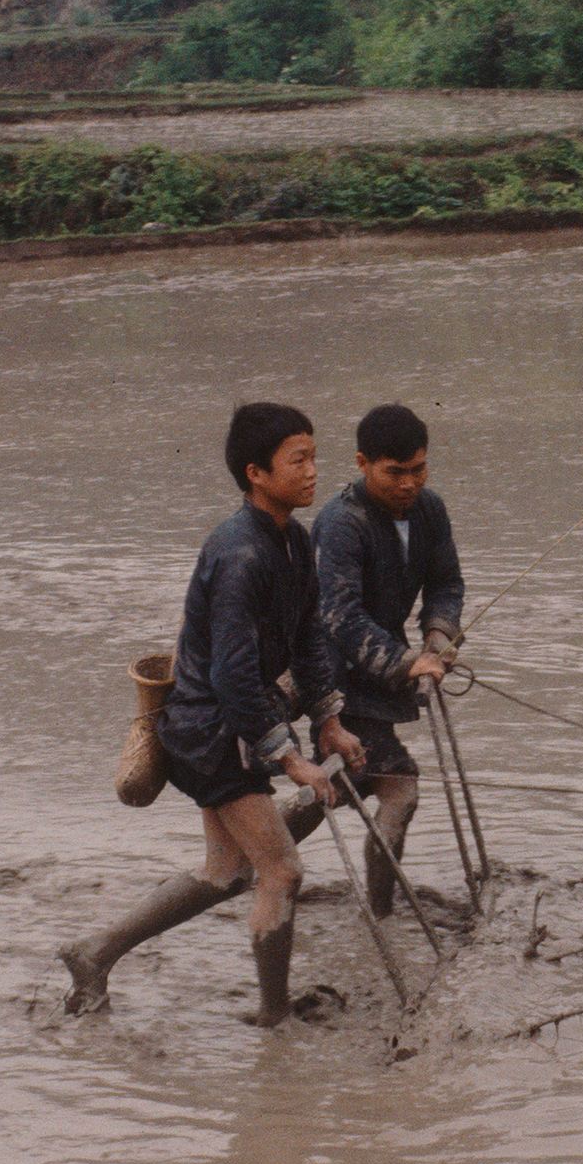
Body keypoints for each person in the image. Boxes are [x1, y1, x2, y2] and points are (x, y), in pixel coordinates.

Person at [62, 403, 366, 1028]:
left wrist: (329, 720)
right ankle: (275, 1015)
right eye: (298, 460)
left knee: (226, 872)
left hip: (233, 724)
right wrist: (292, 760)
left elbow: (309, 640)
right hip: (209, 731)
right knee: (281, 869)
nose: (313, 471)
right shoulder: (239, 555)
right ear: (257, 473)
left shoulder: (293, 541)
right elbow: (231, 676)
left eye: (314, 457)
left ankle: (94, 953)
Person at [312, 404, 464, 917]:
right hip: (329, 678)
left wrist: (438, 638)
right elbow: (339, 617)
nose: (409, 484)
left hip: (376, 678)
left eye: (418, 469)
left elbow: (446, 583)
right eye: (394, 472)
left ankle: (377, 909)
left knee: (382, 791)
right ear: (362, 464)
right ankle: (264, 866)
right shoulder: (341, 523)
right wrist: (406, 662)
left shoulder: (429, 509)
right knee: (369, 790)